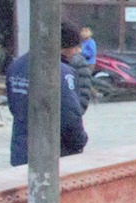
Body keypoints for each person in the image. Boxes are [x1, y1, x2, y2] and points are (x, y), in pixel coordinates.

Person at [6, 21, 89, 166]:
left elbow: (14, 107)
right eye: (74, 47)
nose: (77, 51)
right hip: (53, 154)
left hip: (22, 151)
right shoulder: (61, 72)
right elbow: (69, 116)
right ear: (63, 47)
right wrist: (80, 141)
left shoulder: (16, 66)